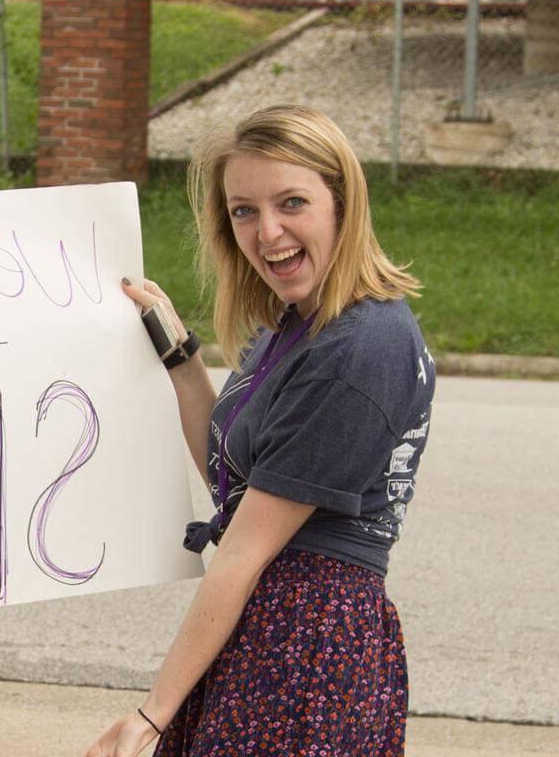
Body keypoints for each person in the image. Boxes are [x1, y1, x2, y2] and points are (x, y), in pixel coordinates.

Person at [87, 105, 434, 757]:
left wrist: (153, 712)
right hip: (268, 629)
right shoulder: (297, 323)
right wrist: (180, 354)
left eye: (292, 202)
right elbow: (234, 481)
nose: (268, 231)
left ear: (341, 202)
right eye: (244, 210)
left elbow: (244, 548)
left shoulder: (360, 347)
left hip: (308, 647)